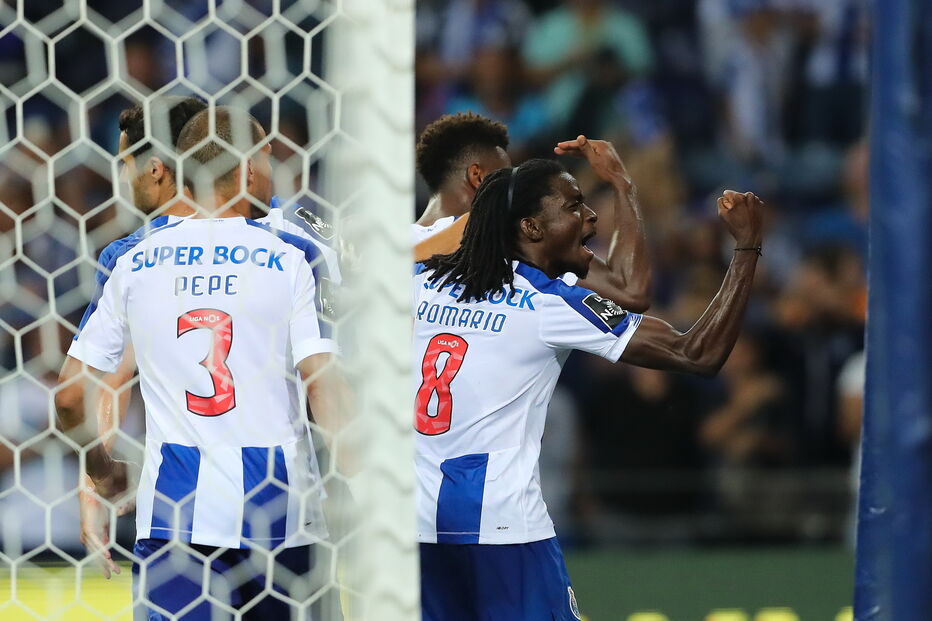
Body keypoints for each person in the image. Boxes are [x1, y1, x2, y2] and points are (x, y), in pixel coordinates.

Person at [412, 156, 763, 619]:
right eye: (574, 205)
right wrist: (746, 248)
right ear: (532, 228)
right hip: (502, 527)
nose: (591, 217)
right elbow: (697, 353)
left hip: (413, 525)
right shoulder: (548, 301)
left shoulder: (421, 281)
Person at [55, 107, 348, 620]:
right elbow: (325, 383)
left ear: (166, 166)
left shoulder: (131, 257)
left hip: (175, 511)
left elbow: (79, 391)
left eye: (126, 161)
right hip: (283, 509)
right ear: (251, 165)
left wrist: (97, 475)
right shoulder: (300, 246)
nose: (123, 176)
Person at [414, 112, 651, 311]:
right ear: (479, 177)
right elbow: (629, 292)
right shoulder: (503, 235)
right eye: (505, 177)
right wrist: (621, 183)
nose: (516, 189)